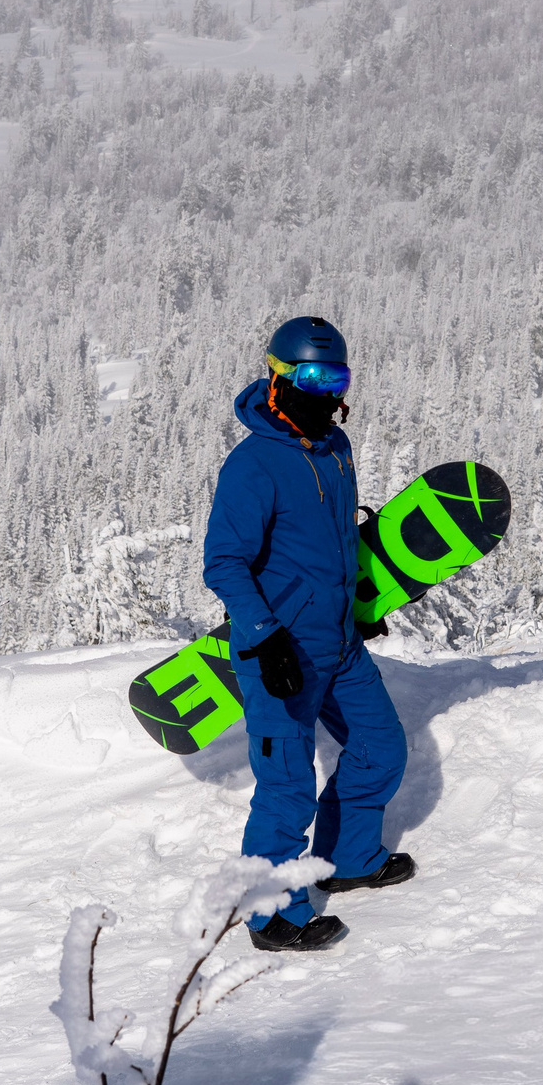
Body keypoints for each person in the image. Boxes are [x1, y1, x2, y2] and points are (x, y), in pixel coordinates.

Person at [203, 315, 415, 952]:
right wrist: (266, 638)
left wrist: (358, 603)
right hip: (280, 651)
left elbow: (333, 542)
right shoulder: (253, 464)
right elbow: (224, 562)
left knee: (381, 747)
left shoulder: (334, 448)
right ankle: (272, 917)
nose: (325, 390)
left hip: (338, 643)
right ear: (278, 378)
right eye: (312, 376)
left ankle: (348, 859)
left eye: (337, 377)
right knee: (287, 787)